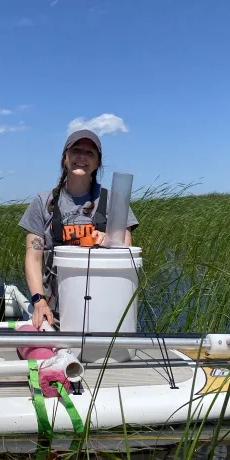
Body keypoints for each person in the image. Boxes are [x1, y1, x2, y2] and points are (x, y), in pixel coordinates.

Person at [18, 129, 139, 328]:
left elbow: (126, 248)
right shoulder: (42, 202)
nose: (82, 157)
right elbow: (33, 256)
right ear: (65, 158)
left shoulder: (113, 200)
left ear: (97, 162)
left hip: (104, 309)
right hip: (55, 312)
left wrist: (110, 241)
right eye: (76, 150)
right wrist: (38, 301)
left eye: (90, 153)